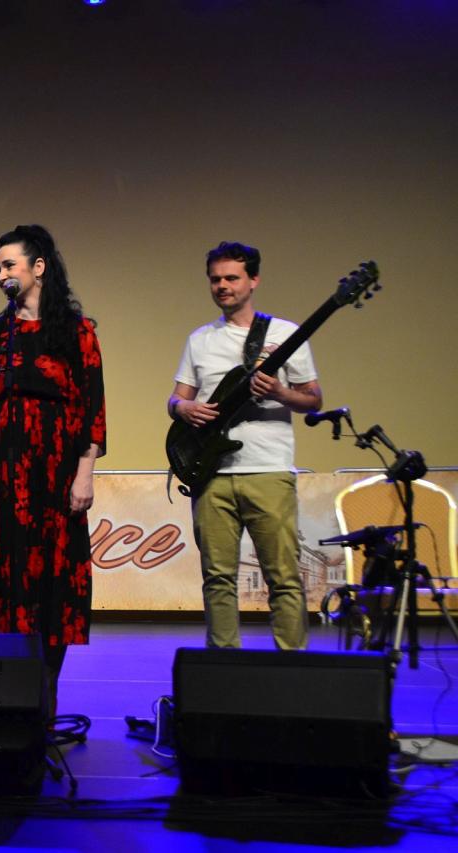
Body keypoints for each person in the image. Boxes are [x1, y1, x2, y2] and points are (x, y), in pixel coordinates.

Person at [0, 224, 105, 722]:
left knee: (52, 582)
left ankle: (45, 691)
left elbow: (92, 410)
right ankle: (2, 693)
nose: (1, 274)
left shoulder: (77, 334)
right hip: (1, 474)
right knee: (0, 578)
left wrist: (84, 474)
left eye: (9, 265)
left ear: (38, 267)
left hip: (55, 474)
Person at [167, 241, 321, 650]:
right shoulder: (200, 340)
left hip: (268, 470)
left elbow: (313, 399)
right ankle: (222, 664)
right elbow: (176, 399)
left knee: (283, 576)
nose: (222, 286)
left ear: (254, 280)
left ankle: (291, 663)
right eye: (215, 279)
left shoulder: (284, 334)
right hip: (212, 474)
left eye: (231, 278)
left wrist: (280, 393)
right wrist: (185, 408)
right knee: (217, 578)